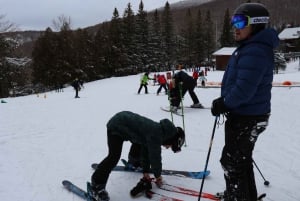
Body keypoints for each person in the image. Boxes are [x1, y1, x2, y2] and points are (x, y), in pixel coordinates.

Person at [210, 3, 279, 201]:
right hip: (245, 114)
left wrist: (224, 103)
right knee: (240, 160)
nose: (235, 27)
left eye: (240, 22)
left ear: (256, 24)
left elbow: (244, 90)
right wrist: (225, 102)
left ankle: (237, 196)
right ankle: (243, 195)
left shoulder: (255, 50)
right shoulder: (249, 48)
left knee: (232, 162)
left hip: (247, 117)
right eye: (233, 22)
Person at [90, 111, 185, 201]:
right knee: (113, 157)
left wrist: (146, 171)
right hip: (117, 126)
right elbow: (155, 157)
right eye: (170, 146)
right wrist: (158, 176)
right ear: (171, 140)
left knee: (140, 142)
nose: (168, 147)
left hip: (124, 124)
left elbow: (146, 151)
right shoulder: (156, 135)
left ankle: (134, 161)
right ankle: (96, 185)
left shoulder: (157, 131)